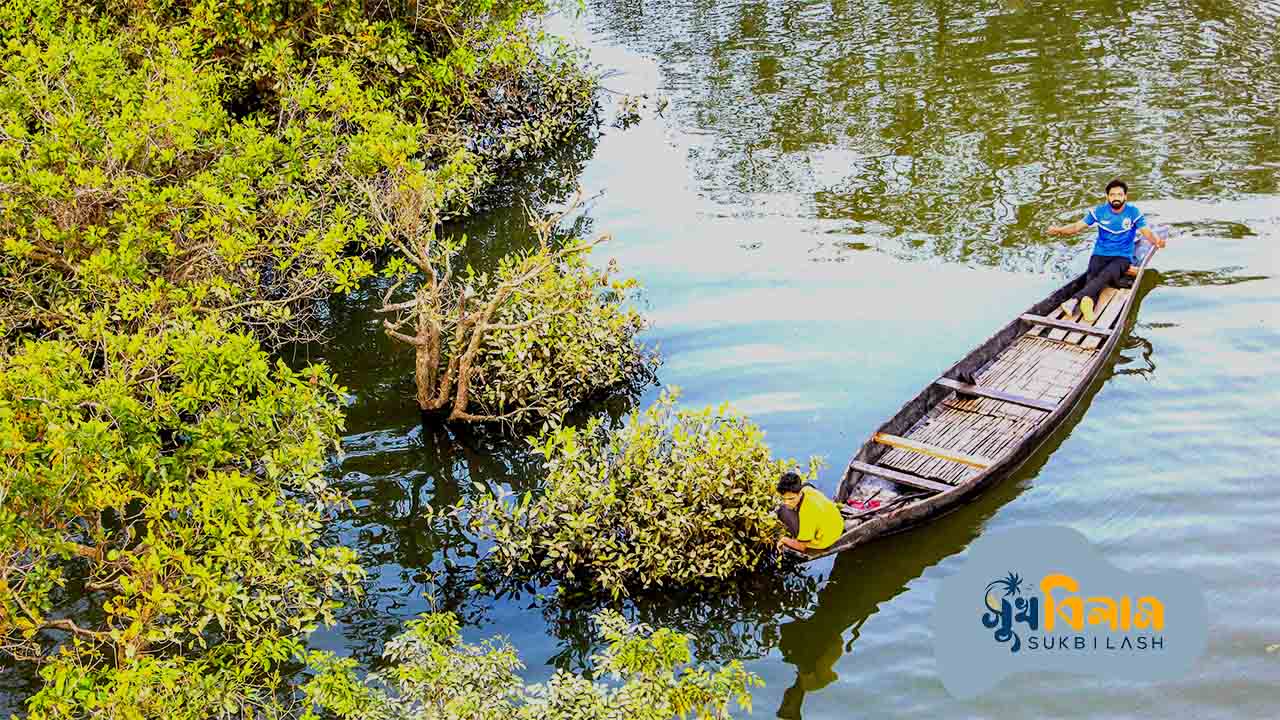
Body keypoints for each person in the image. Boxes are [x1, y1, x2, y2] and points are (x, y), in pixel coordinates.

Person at [1047, 178, 1166, 323]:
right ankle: (1087, 304)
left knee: (1105, 275)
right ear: (1107, 197)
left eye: (1119, 195)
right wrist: (1058, 230)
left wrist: (1157, 241)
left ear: (1125, 197)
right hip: (1100, 253)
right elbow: (1076, 227)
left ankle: (1073, 300)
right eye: (1112, 195)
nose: (1116, 198)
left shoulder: (1133, 212)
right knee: (1093, 280)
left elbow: (1146, 232)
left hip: (1122, 256)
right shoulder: (1099, 212)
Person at [775, 471, 843, 553]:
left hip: (825, 540)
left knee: (783, 511)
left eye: (791, 499)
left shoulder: (807, 514)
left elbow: (801, 547)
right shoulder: (806, 489)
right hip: (837, 523)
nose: (786, 503)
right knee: (806, 484)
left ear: (800, 493)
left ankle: (801, 536)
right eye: (784, 498)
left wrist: (784, 540)